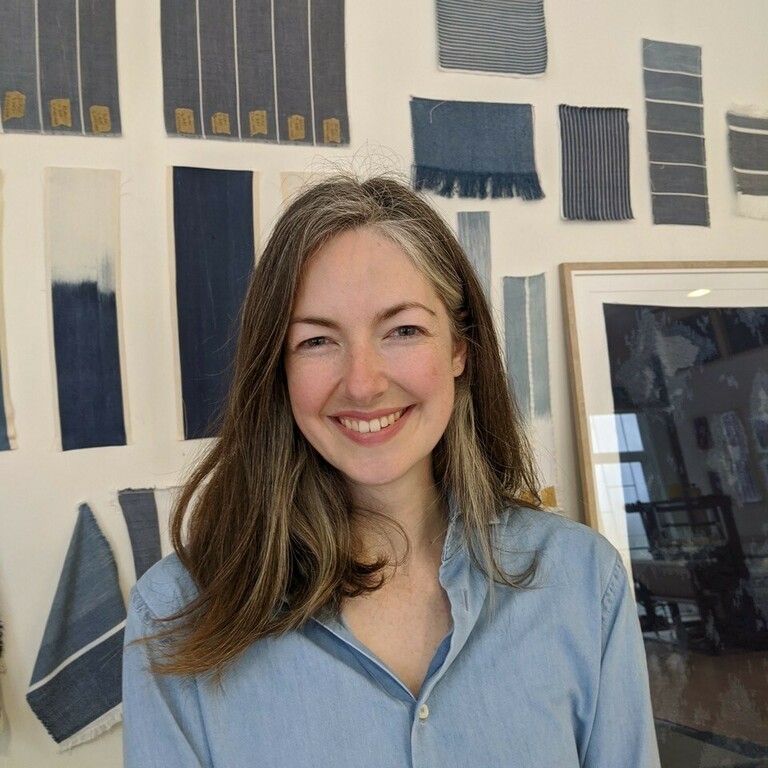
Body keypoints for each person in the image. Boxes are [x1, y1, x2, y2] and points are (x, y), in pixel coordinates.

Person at [123, 175, 660, 767]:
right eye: (318, 340)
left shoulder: (585, 583)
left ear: (460, 347)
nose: (362, 382)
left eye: (403, 330)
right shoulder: (175, 613)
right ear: (276, 366)